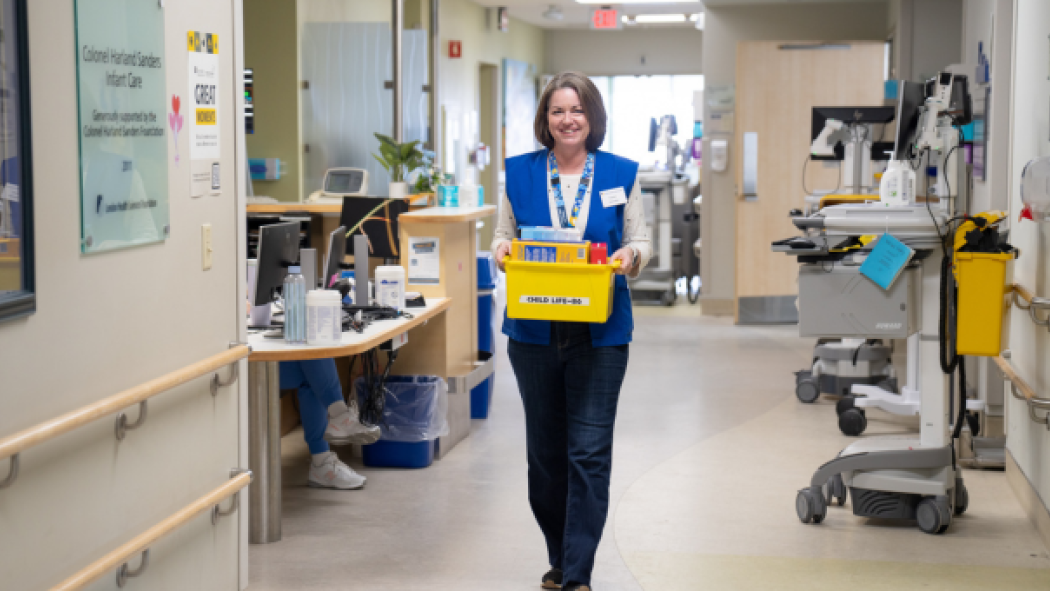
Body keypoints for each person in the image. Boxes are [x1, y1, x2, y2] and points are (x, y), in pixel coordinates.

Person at [491, 71, 651, 591]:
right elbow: (502, 235)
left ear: (592, 117)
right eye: (558, 111)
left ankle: (576, 574)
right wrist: (500, 251)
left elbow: (639, 238)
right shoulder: (517, 174)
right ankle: (560, 556)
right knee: (546, 456)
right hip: (534, 331)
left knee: (588, 452)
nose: (568, 120)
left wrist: (631, 257)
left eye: (577, 110)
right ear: (545, 119)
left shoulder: (622, 173)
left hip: (600, 333)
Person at [279, 359, 381, 490]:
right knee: (313, 368)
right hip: (247, 363)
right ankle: (340, 417)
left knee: (313, 372)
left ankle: (322, 461)